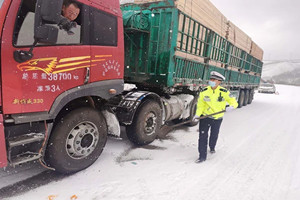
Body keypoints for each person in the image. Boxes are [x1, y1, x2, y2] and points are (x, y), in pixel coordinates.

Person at [194, 71, 238, 163]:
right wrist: (197, 114)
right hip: (205, 117)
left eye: (213, 80)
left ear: (219, 81)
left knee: (214, 135)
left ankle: (212, 146)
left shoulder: (224, 92)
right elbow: (200, 105)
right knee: (202, 136)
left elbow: (233, 101)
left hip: (217, 118)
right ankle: (202, 156)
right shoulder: (204, 91)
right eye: (210, 79)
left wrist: (232, 106)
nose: (211, 81)